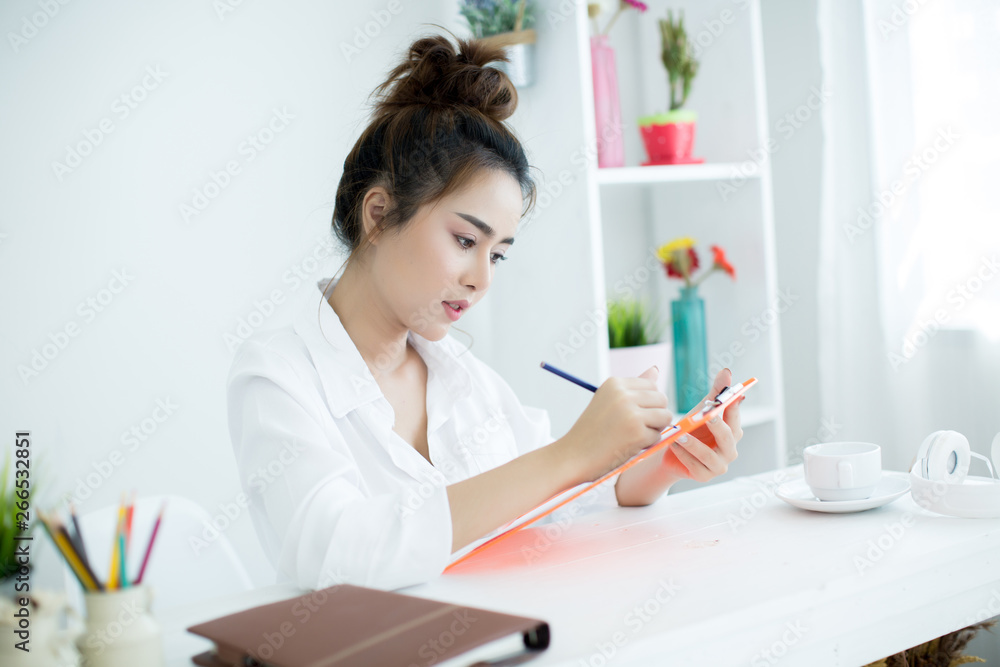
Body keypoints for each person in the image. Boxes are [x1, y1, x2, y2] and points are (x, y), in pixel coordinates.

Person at [226, 33, 745, 592]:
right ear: (377, 215)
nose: (482, 279)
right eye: (465, 240)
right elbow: (336, 552)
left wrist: (661, 462)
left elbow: (559, 503)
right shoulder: (276, 376)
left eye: (497, 253)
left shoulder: (460, 375)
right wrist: (573, 452)